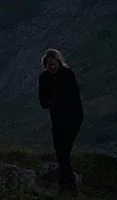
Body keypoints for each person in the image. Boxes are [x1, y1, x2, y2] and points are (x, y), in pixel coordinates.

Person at [39, 48, 84, 192]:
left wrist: (55, 102)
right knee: (60, 151)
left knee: (64, 151)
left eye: (53, 64)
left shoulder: (67, 75)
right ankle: (65, 184)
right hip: (57, 119)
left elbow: (73, 96)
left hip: (72, 118)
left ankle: (70, 186)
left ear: (59, 62)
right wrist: (52, 103)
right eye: (48, 65)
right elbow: (43, 99)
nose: (51, 68)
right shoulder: (44, 77)